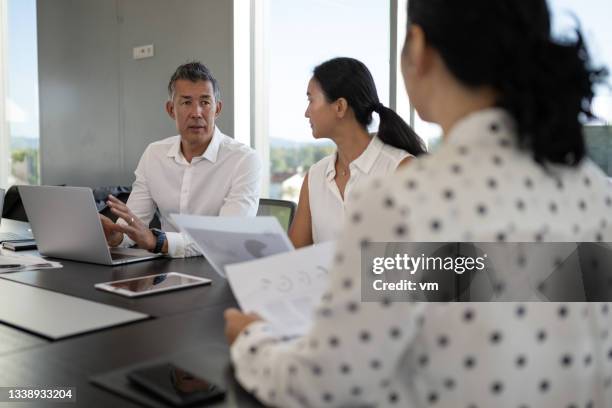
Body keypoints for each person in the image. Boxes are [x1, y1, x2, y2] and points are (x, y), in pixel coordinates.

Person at [224, 0, 612, 406]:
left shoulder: (409, 203)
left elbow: (323, 386)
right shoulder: (595, 193)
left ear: (419, 45)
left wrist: (250, 338)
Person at [100, 62, 261, 258]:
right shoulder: (154, 154)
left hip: (219, 270)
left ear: (217, 109)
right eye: (186, 102)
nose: (196, 113)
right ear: (170, 110)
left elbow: (226, 238)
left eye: (205, 102)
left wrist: (159, 241)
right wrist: (115, 236)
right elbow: (134, 223)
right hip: (166, 270)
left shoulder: (244, 160)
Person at [289, 57, 426, 248]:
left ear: (339, 107)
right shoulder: (315, 177)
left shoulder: (401, 170)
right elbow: (293, 258)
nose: (306, 112)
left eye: (311, 100)